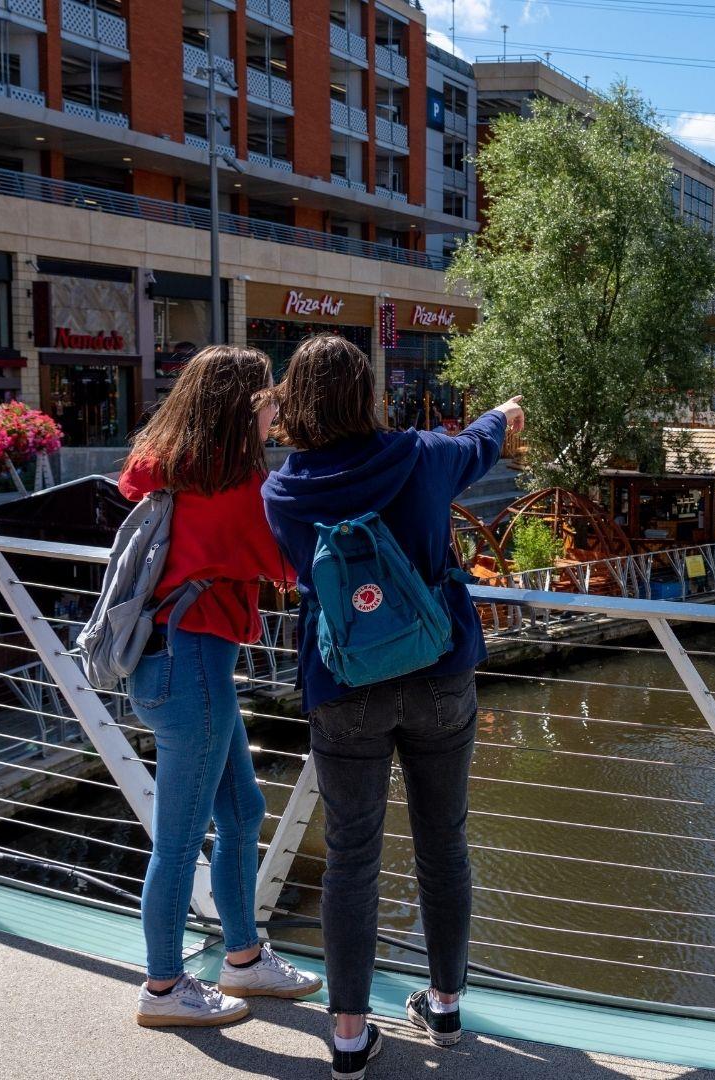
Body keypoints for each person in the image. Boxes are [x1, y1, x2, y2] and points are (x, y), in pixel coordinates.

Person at [261, 334, 524, 1080]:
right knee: (444, 841)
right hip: (439, 672)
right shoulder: (417, 456)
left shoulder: (282, 492)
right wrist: (504, 413)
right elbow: (478, 444)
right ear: (367, 394)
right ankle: (443, 1004)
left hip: (343, 686)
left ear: (297, 403)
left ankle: (349, 1035)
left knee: (351, 856)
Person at [120, 345, 323, 1029]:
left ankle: (243, 956)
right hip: (193, 668)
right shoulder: (234, 489)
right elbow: (287, 567)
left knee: (240, 811)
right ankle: (163, 988)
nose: (275, 413)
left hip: (168, 664)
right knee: (177, 840)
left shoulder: (172, 471)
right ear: (245, 407)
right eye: (268, 400)